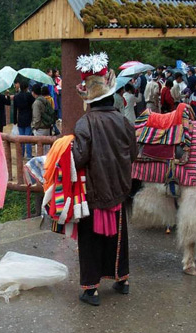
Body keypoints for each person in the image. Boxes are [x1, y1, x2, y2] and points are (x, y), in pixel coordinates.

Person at [72, 52, 137, 306]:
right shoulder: (124, 121)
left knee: (90, 241)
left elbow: (78, 160)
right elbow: (133, 154)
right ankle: (122, 281)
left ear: (89, 99)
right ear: (111, 94)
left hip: (93, 193)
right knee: (118, 237)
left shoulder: (84, 123)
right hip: (119, 190)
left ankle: (91, 289)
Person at [13, 81, 35, 157]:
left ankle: (21, 154)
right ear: (26, 88)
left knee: (21, 138)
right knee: (28, 138)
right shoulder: (29, 96)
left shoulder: (16, 97)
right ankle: (29, 155)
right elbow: (34, 104)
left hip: (20, 118)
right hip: (28, 117)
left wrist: (15, 120)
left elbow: (15, 109)